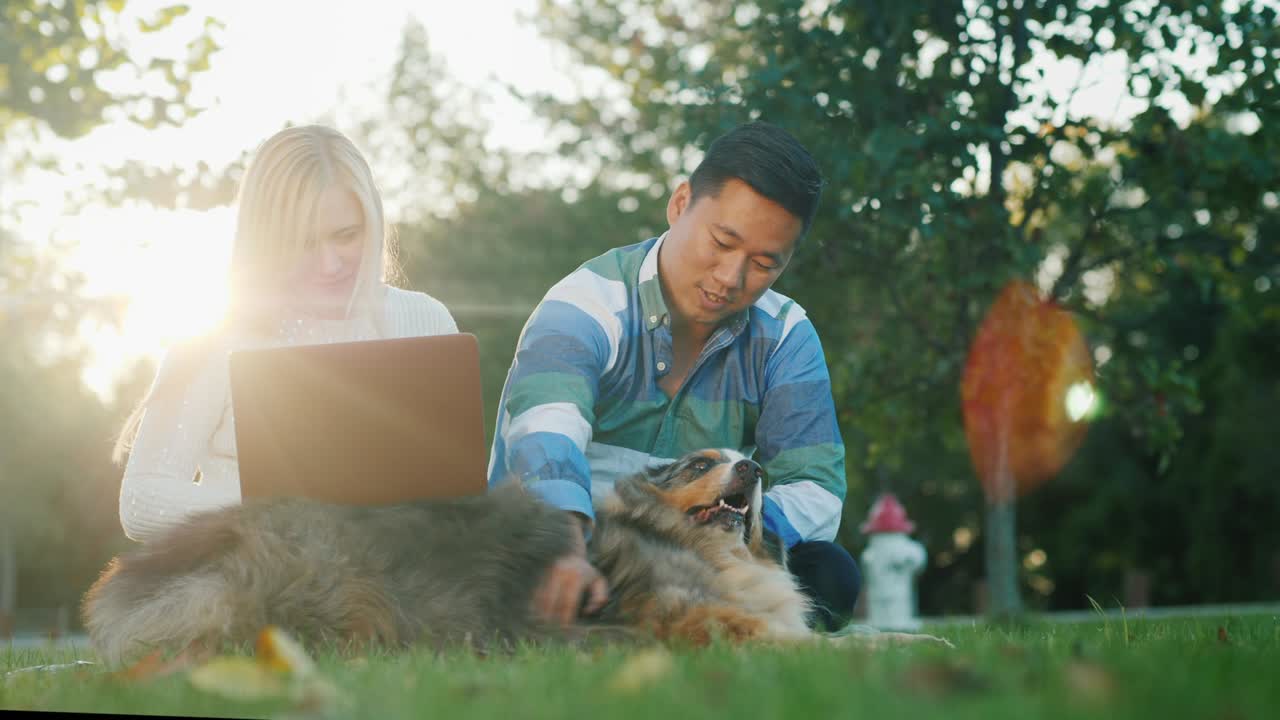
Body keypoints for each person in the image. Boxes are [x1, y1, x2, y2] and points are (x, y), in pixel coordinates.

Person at [488, 121, 859, 631]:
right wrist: (570, 545)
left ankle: (704, 621)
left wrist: (724, 526)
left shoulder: (786, 336)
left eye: (764, 263)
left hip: (706, 555)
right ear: (681, 204)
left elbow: (815, 486)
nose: (730, 278)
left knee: (830, 573)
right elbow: (543, 432)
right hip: (584, 541)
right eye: (723, 241)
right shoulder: (586, 303)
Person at [114, 125, 458, 542]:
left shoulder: (425, 321)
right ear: (267, 240)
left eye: (346, 235)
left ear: (373, 219)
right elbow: (142, 501)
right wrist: (279, 509)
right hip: (257, 585)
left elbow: (455, 491)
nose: (330, 263)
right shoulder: (215, 336)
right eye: (303, 243)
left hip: (395, 584)